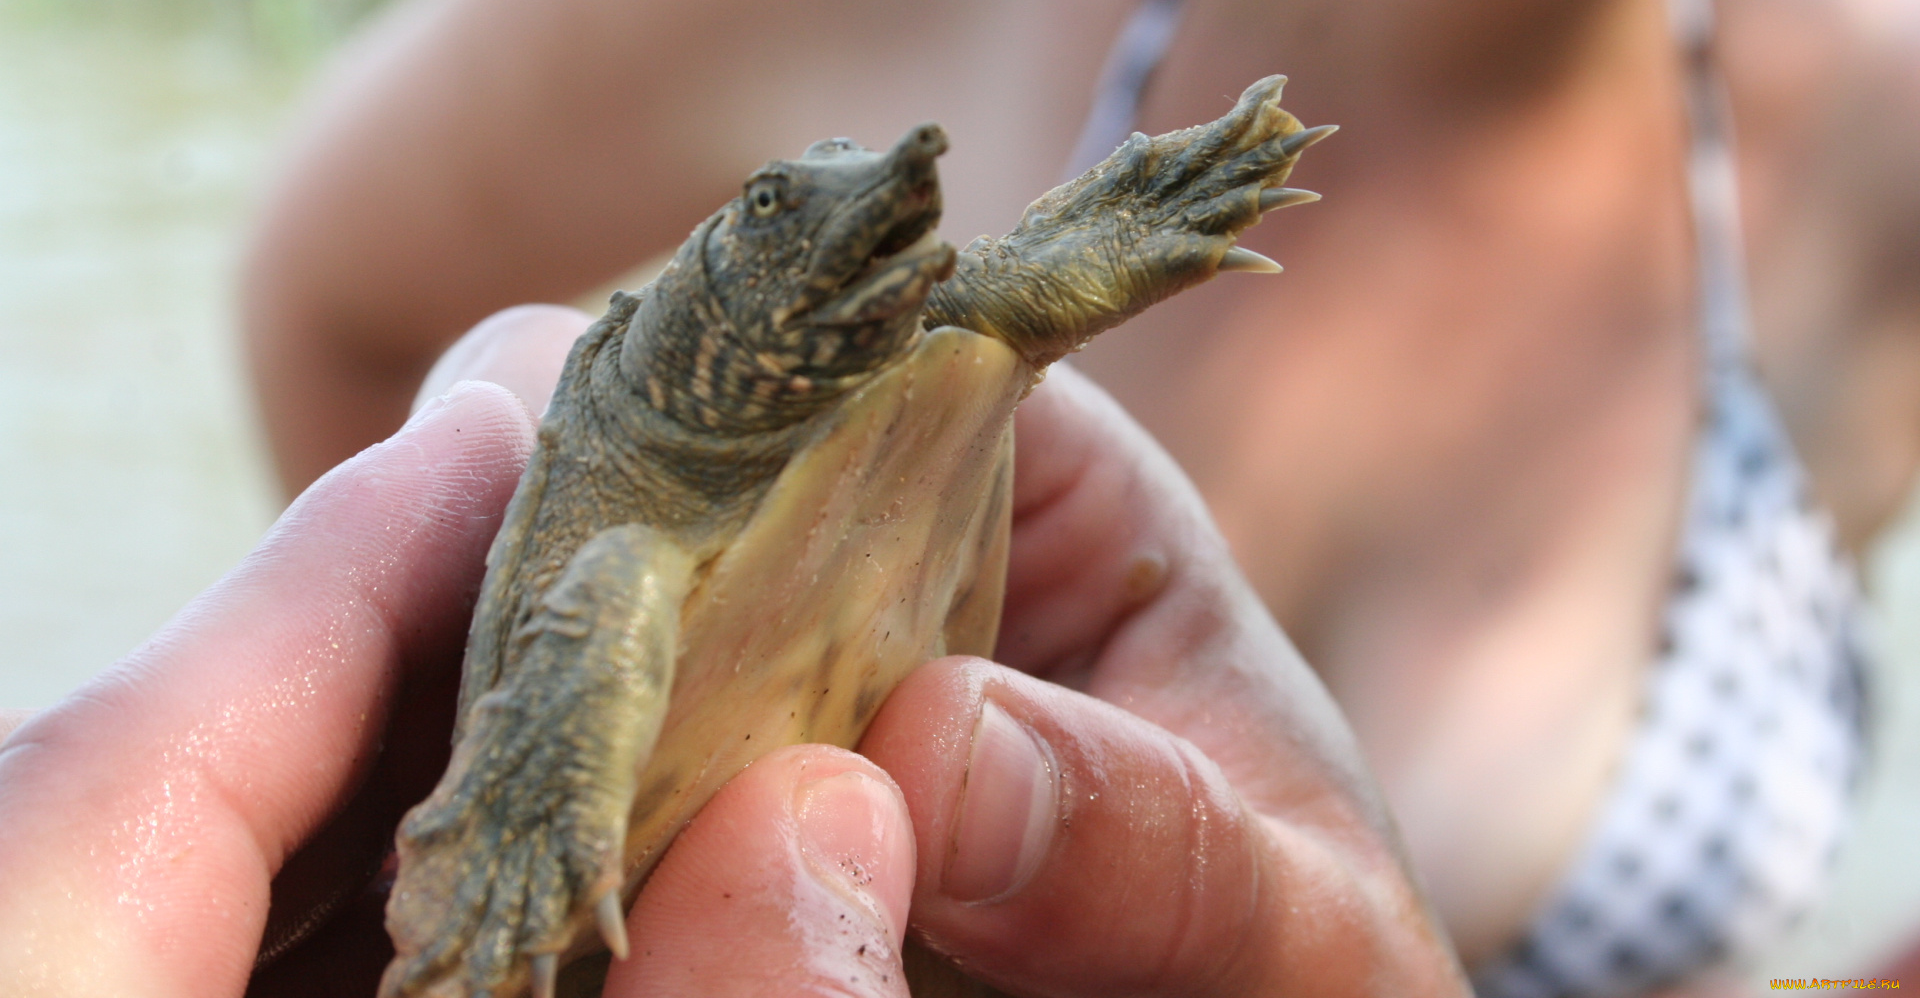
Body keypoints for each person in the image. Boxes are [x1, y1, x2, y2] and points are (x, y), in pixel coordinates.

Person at [239, 0, 1920, 991]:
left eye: (900, 218)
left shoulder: (1878, 121)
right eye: (818, 217)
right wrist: (411, 726)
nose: (890, 211)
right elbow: (324, 296)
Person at [0, 313, 1464, 996]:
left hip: (895, 817)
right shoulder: (624, 552)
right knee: (612, 583)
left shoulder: (942, 362)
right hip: (620, 815)